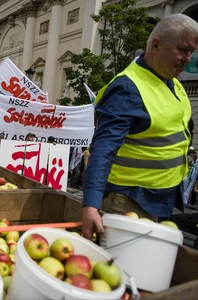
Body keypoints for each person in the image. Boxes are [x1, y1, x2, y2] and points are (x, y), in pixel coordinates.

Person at [82, 14, 198, 241]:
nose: (188, 58)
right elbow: (103, 149)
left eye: (192, 51)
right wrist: (90, 205)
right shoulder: (127, 88)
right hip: (127, 200)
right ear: (156, 44)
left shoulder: (172, 82)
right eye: (182, 49)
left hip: (159, 199)